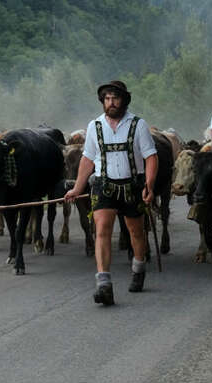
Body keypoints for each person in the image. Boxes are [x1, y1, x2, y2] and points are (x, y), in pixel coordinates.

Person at [64, 80, 157, 305]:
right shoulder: (95, 126)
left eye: (115, 98)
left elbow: (150, 157)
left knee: (135, 232)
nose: (111, 102)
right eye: (107, 98)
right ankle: (104, 283)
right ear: (102, 101)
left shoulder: (138, 124)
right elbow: (87, 159)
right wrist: (77, 187)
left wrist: (149, 185)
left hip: (132, 185)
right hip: (104, 185)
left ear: (124, 100)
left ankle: (138, 267)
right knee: (102, 230)